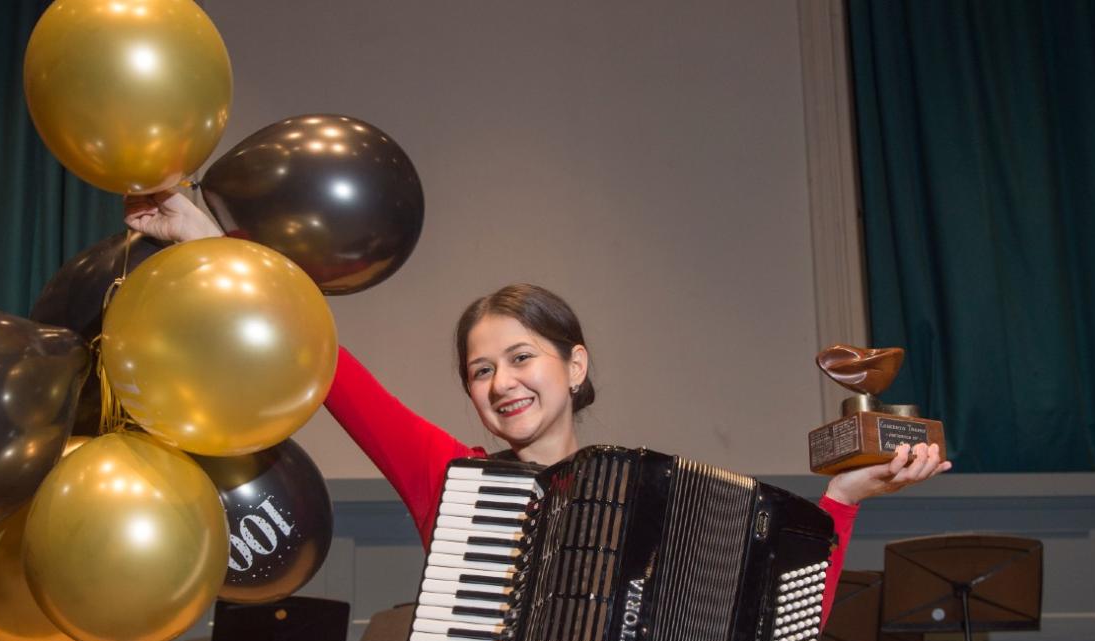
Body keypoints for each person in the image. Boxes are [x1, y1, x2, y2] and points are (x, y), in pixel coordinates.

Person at [125, 192, 951, 618]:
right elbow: (323, 360)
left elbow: (778, 619)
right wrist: (205, 239)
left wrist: (843, 502)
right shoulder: (447, 480)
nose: (501, 384)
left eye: (521, 358)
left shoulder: (656, 499)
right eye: (480, 371)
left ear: (574, 364)